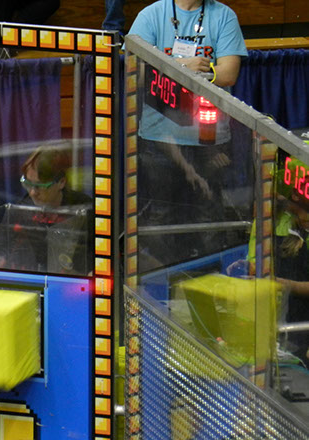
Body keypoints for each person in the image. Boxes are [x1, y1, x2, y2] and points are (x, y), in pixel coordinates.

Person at [127, 0, 248, 270]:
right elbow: (136, 69)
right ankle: (162, 282)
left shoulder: (224, 15)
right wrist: (184, 66)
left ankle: (211, 282)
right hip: (160, 138)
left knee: (209, 217)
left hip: (210, 140)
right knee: (160, 217)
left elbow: (229, 73)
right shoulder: (151, 15)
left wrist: (172, 69)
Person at [0, 145, 92, 274]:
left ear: (61, 182)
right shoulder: (20, 211)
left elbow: (96, 267)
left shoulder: (84, 210)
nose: (32, 193)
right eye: (28, 184)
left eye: (39, 186)